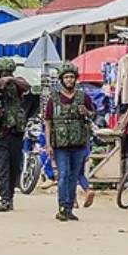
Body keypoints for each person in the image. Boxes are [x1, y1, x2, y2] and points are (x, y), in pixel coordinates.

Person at [44, 63, 96, 221]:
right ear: (61, 79)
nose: (69, 80)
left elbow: (93, 114)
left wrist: (86, 112)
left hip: (79, 143)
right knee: (64, 175)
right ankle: (62, 206)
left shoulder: (83, 97)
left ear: (75, 79)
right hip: (60, 144)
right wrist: (48, 144)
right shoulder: (53, 98)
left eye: (72, 77)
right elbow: (48, 122)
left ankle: (68, 208)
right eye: (66, 77)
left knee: (73, 176)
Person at [0, 58, 31, 212]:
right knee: (2, 166)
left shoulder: (17, 84)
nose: (4, 75)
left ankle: (10, 196)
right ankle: (4, 198)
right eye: (2, 73)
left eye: (8, 72)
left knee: (14, 166)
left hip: (16, 131)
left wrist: (10, 80)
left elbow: (27, 87)